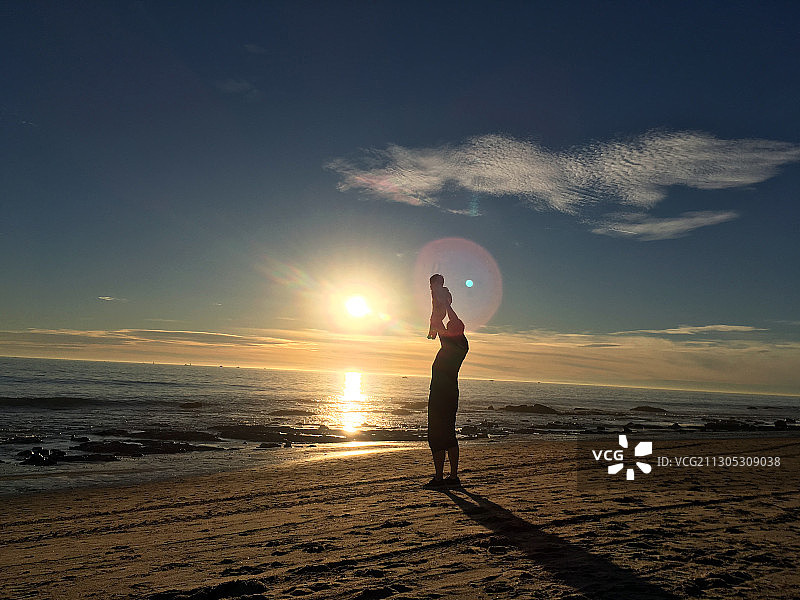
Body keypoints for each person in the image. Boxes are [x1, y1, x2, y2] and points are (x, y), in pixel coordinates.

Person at [424, 275, 468, 488]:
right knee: (439, 435)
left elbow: (447, 322)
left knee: (445, 434)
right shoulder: (451, 343)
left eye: (451, 327)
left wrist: (447, 305)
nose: (448, 328)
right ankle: (444, 477)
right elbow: (437, 322)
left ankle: (450, 477)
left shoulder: (459, 345)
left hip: (445, 394)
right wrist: (437, 298)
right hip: (442, 394)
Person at [427, 274, 452, 340]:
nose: (431, 286)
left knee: (435, 320)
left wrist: (445, 301)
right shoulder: (434, 291)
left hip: (441, 311)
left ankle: (436, 334)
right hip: (435, 311)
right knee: (433, 320)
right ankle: (432, 334)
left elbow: (449, 298)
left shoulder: (443, 291)